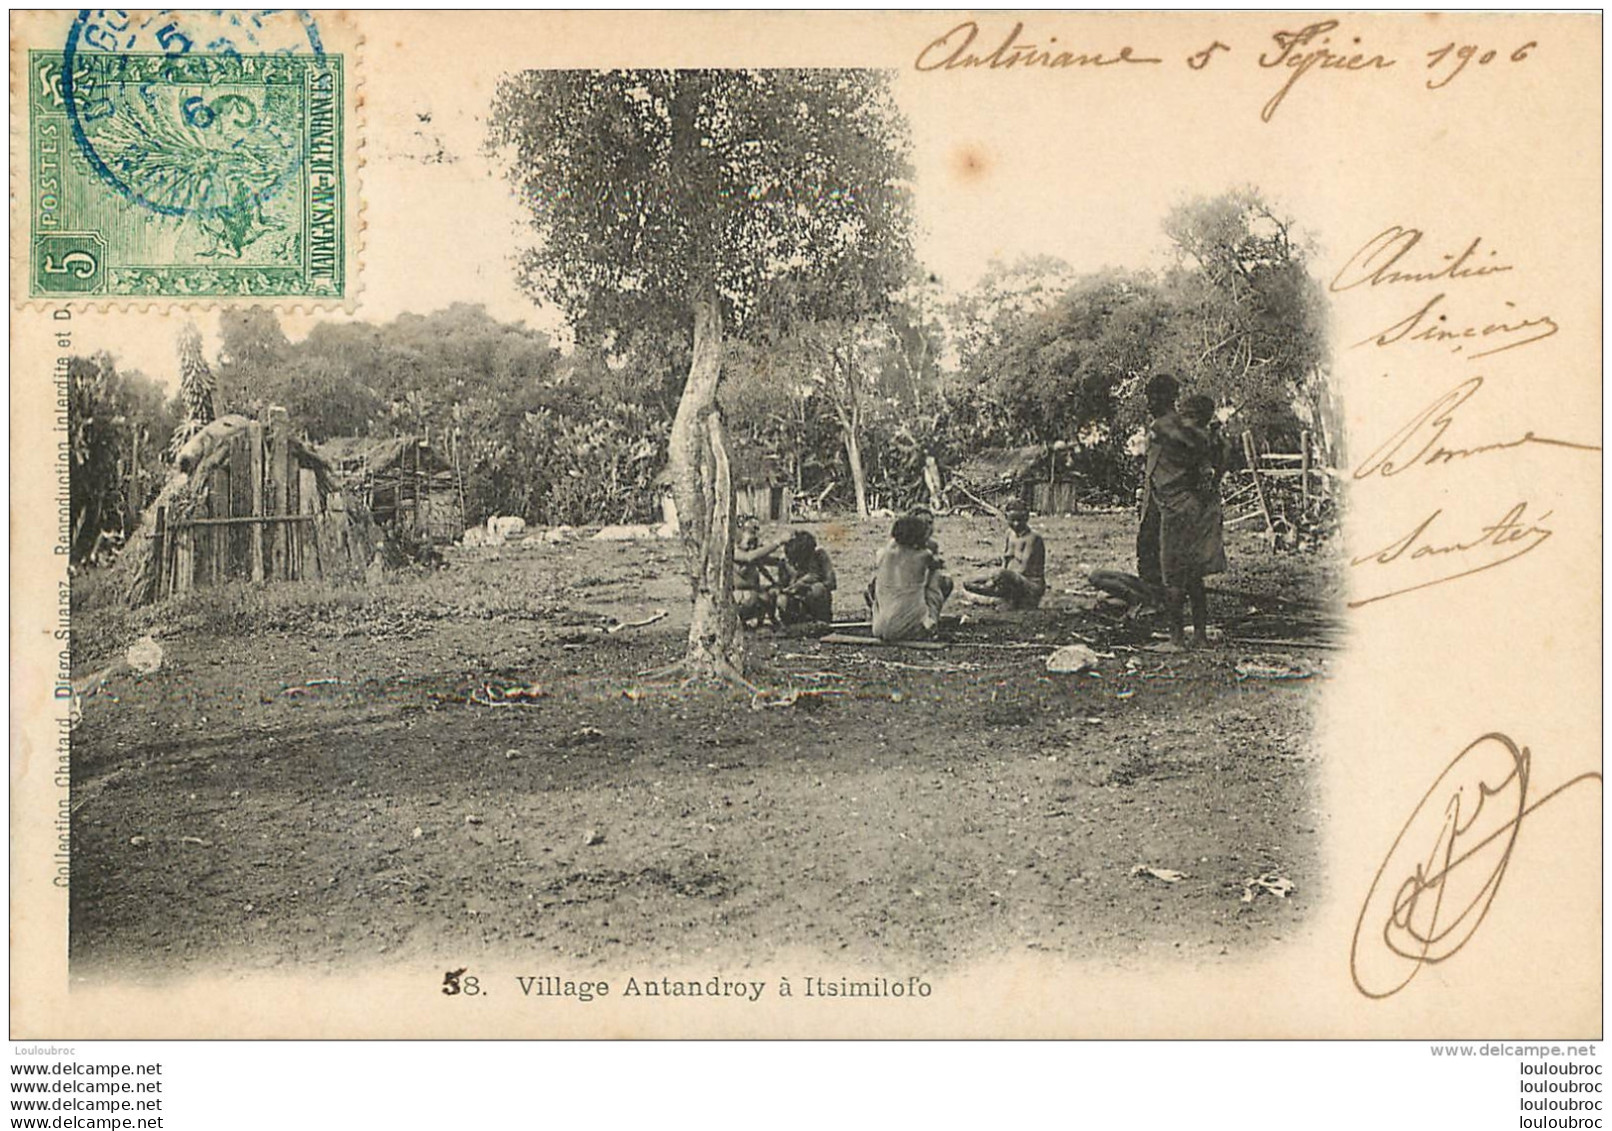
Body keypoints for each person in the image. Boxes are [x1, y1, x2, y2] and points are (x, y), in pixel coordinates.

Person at [868, 514, 949, 641]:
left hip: (878, 629)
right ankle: (930, 624)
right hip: (910, 631)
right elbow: (938, 564)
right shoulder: (923, 556)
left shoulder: (882, 554)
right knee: (939, 578)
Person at [963, 504, 1046, 609]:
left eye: (1020, 520)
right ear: (1006, 518)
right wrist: (995, 580)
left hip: (1029, 584)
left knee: (998, 574)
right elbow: (1005, 560)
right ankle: (1000, 597)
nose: (1016, 524)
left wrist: (998, 578)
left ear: (1026, 518)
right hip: (1007, 581)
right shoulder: (1009, 534)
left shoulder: (1033, 538)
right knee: (968, 582)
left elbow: (1023, 569)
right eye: (1012, 520)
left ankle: (1011, 600)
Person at [733, 516, 786, 628]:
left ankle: (767, 621)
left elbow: (764, 561)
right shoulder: (733, 551)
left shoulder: (751, 550)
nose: (754, 538)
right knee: (755, 596)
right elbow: (750, 557)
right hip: (739, 597)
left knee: (770, 593)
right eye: (751, 532)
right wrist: (777, 542)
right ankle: (739, 621)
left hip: (752, 593)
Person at [777, 530, 836, 625]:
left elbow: (831, 583)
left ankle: (821, 621)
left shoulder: (819, 556)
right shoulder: (785, 562)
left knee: (818, 589)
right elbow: (782, 587)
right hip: (796, 605)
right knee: (781, 599)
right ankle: (791, 623)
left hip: (814, 601)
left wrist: (805, 585)